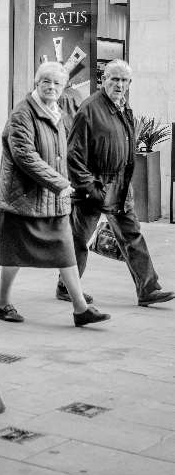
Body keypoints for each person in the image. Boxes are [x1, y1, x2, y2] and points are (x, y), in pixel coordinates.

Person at [0, 61, 110, 327]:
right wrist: (58, 182)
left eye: (58, 83)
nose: (52, 87)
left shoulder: (58, 111)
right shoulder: (22, 114)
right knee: (14, 254)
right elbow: (25, 156)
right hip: (21, 198)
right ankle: (1, 303)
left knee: (66, 250)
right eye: (47, 82)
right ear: (37, 83)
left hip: (54, 199)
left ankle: (80, 308)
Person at [63, 58, 174, 307]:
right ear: (104, 80)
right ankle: (65, 286)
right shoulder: (89, 109)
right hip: (94, 187)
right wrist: (90, 188)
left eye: (124, 80)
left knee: (132, 235)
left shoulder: (123, 106)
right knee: (79, 240)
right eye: (114, 79)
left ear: (130, 83)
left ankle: (147, 289)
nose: (119, 84)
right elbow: (73, 155)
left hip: (121, 186)